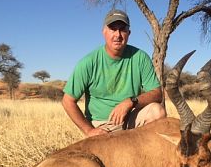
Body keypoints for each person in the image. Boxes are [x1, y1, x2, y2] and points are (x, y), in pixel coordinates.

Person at [62, 9, 166, 138]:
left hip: (130, 120)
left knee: (157, 111)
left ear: (129, 33)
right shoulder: (88, 62)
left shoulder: (141, 58)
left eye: (122, 29)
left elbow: (157, 93)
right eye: (112, 29)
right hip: (101, 126)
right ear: (104, 32)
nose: (118, 35)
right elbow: (67, 101)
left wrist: (130, 102)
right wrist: (89, 130)